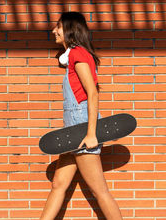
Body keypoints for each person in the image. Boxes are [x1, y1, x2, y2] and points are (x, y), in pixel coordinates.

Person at [40, 12, 123, 220]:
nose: (54, 31)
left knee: (99, 191)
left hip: (82, 128)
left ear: (69, 29)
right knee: (59, 184)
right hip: (73, 129)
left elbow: (92, 93)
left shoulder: (78, 54)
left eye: (58, 27)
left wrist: (91, 133)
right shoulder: (72, 57)